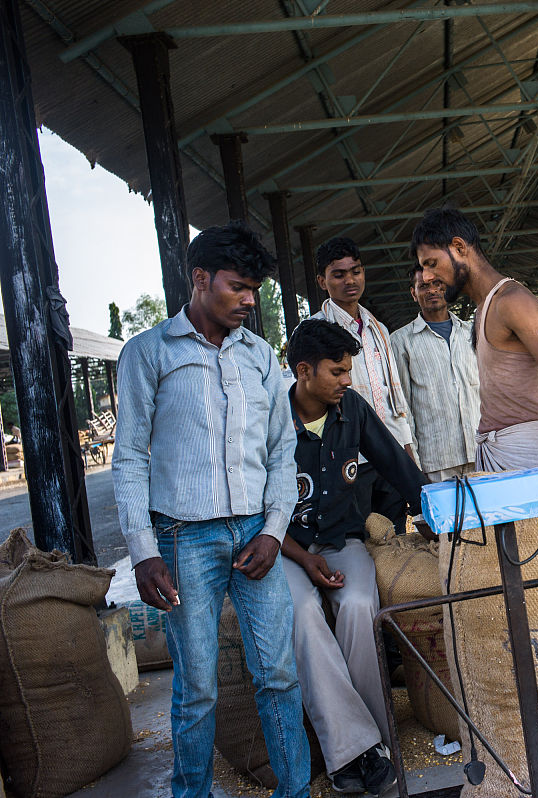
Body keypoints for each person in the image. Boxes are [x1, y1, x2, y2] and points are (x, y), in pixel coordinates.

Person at [112, 221, 309, 798]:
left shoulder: (261, 357)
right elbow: (128, 460)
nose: (249, 300)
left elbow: (281, 451)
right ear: (200, 279)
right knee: (197, 685)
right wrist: (144, 553)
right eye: (238, 286)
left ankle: (293, 791)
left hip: (255, 534)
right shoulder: (149, 353)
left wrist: (275, 531)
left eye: (255, 289)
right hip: (181, 538)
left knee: (277, 674)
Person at [283, 320, 428, 796]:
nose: (347, 380)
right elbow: (250, 511)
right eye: (337, 371)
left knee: (360, 606)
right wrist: (303, 560)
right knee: (303, 613)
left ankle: (376, 745)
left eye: (349, 370)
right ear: (304, 371)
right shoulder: (271, 421)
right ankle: (353, 750)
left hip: (343, 541)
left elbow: (395, 464)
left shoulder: (353, 411)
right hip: (286, 547)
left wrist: (439, 515)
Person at [409, 207, 538, 481]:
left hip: (530, 458)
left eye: (430, 263)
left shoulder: (512, 301)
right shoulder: (482, 310)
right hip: (502, 456)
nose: (427, 277)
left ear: (458, 247)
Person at [311, 236, 415, 526]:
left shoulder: (378, 330)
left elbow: (392, 395)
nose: (350, 280)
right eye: (339, 274)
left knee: (396, 536)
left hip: (389, 452)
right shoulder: (313, 331)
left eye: (356, 271)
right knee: (358, 536)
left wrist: (406, 449)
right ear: (322, 281)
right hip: (346, 455)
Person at [391, 268, 480, 482]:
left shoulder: (471, 332)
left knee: (492, 515)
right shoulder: (401, 341)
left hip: (482, 453)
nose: (432, 290)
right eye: (424, 286)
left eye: (438, 283)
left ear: (448, 288)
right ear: (414, 293)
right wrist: (415, 464)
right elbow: (404, 409)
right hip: (437, 462)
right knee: (448, 516)